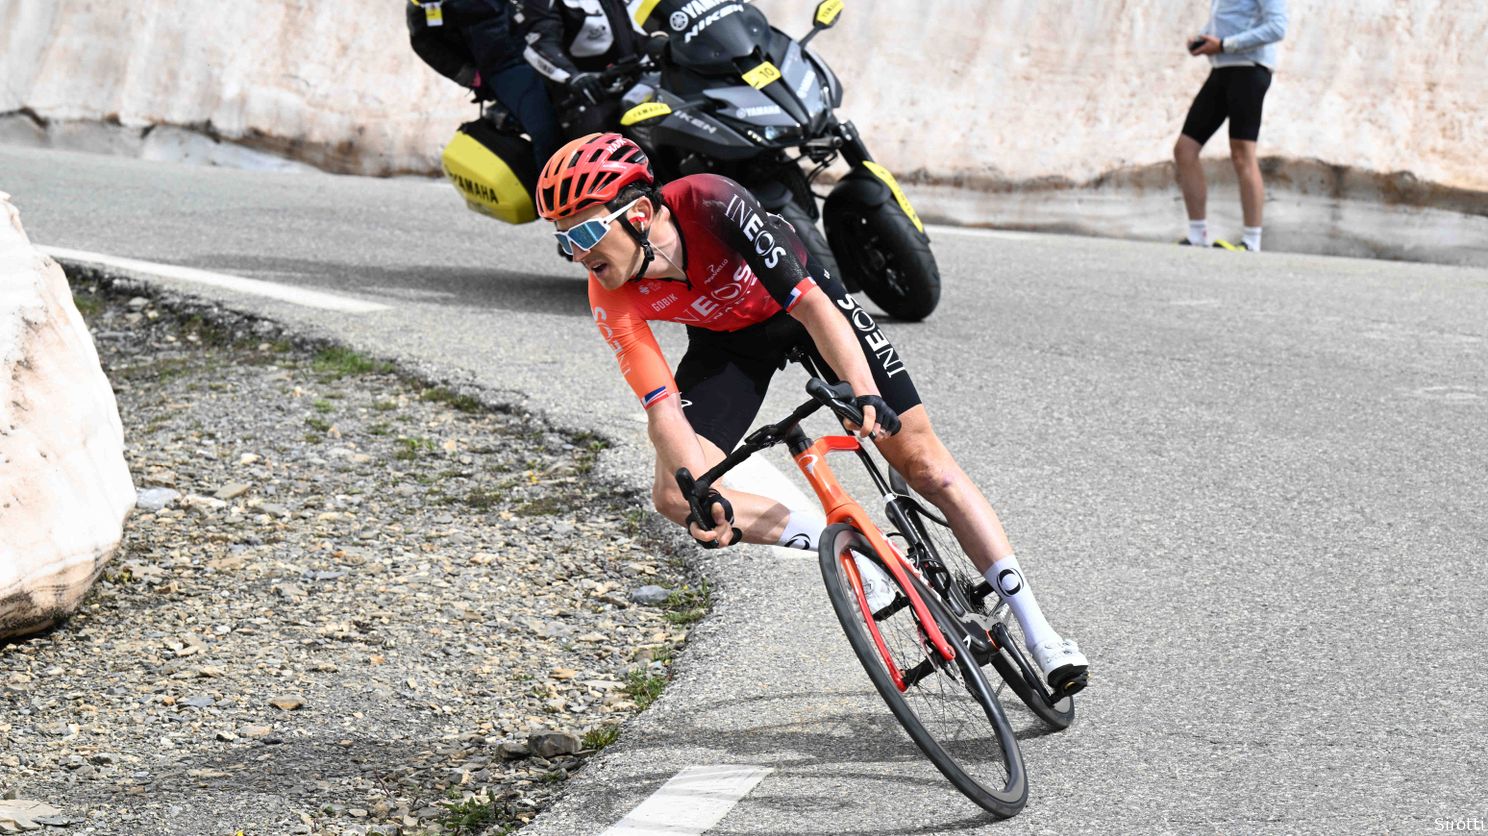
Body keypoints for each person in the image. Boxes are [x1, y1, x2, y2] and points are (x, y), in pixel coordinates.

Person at [537, 132, 1090, 694]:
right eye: (562, 241)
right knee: (676, 496)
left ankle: (1042, 635)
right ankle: (866, 558)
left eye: (583, 233)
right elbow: (661, 410)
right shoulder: (607, 293)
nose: (576, 253)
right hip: (730, 345)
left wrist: (863, 391)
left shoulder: (710, 201)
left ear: (638, 212)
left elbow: (813, 305)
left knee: (924, 465)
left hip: (803, 306)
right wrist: (702, 496)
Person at [1173, 0, 1288, 252]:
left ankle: (1252, 240)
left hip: (1249, 69)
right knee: (1185, 149)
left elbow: (1278, 27)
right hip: (1222, 69)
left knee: (1242, 153)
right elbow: (1228, 20)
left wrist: (1225, 45)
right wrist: (1204, 39)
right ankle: (1197, 234)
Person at [406, 0, 563, 164]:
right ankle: (552, 187)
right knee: (546, 130)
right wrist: (468, 74)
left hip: (549, 47)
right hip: (505, 66)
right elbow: (423, 41)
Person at [510, 0, 645, 137]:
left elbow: (630, 21)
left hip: (636, 77)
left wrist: (657, 40)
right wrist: (574, 77)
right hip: (585, 93)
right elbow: (538, 43)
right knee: (595, 144)